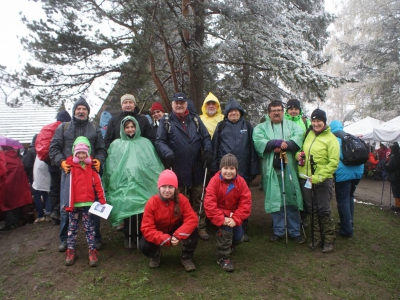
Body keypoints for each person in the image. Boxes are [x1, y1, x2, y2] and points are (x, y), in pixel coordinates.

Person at [49, 97, 107, 252]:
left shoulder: (94, 129)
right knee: (66, 206)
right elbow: (53, 148)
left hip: (89, 174)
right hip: (69, 174)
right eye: (78, 109)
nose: (81, 111)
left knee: (93, 206)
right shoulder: (63, 128)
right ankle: (65, 240)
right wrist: (61, 162)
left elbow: (102, 149)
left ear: (88, 112)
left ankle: (95, 238)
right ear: (74, 111)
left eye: (84, 109)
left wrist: (99, 161)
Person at [155, 92, 213, 240]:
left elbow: (206, 137)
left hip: (197, 165)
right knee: (179, 199)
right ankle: (181, 228)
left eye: (182, 103)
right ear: (172, 104)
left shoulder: (195, 119)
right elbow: (160, 141)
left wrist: (207, 151)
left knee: (199, 198)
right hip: (177, 167)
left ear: (186, 104)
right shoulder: (166, 120)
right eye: (176, 103)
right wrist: (167, 153)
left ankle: (200, 227)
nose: (179, 105)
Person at [103, 116, 164, 248]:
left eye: (132, 127)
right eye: (127, 127)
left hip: (143, 184)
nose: (130, 129)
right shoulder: (116, 145)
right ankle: (128, 235)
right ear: (122, 129)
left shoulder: (146, 143)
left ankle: (142, 235)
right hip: (124, 185)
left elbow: (154, 164)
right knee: (127, 208)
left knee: (143, 210)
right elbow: (111, 166)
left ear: (136, 128)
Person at [253, 100, 305, 244]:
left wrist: (286, 144)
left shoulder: (292, 125)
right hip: (271, 169)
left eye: (279, 110)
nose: (276, 113)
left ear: (283, 112)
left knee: (291, 198)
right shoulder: (261, 127)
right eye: (273, 110)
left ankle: (294, 231)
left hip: (289, 169)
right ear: (269, 113)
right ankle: (278, 230)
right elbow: (258, 140)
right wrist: (273, 143)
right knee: (276, 199)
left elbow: (299, 135)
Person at [297, 109, 339, 253]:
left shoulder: (331, 139)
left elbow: (333, 163)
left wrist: (318, 177)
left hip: (322, 180)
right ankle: (316, 238)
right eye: (314, 121)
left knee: (323, 209)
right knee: (312, 209)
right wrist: (299, 155)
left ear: (324, 122)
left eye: (318, 121)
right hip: (307, 179)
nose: (315, 124)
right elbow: (302, 150)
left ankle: (328, 240)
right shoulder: (308, 134)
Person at [140, 170, 199, 272]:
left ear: (175, 188)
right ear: (159, 187)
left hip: (176, 228)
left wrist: (177, 235)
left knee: (193, 231)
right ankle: (155, 255)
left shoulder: (182, 199)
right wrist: (165, 239)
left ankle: (186, 256)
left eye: (170, 187)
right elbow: (147, 229)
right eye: (164, 186)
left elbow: (192, 219)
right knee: (144, 245)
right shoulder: (151, 203)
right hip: (159, 230)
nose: (167, 190)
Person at [63, 137, 106, 267]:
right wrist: (67, 203)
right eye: (79, 153)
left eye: (84, 153)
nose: (81, 155)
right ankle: (70, 251)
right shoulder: (70, 169)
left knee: (89, 229)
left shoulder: (91, 169)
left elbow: (98, 185)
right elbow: (67, 188)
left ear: (87, 153)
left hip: (88, 204)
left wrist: (102, 200)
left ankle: (92, 251)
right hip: (74, 204)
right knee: (72, 228)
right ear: (74, 153)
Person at [204, 154, 252, 272]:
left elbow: (246, 202)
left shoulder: (241, 182)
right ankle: (223, 257)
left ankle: (231, 244)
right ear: (220, 169)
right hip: (220, 215)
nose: (228, 171)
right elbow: (209, 203)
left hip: (234, 215)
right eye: (225, 168)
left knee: (239, 237)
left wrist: (236, 219)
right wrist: (222, 219)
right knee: (226, 232)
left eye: (232, 168)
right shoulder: (214, 181)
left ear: (236, 170)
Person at [330, 120, 364, 238]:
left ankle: (346, 229)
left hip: (343, 173)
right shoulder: (350, 136)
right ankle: (349, 222)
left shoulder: (334, 139)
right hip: (358, 172)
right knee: (350, 197)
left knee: (342, 200)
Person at [284, 98, 311, 227]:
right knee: (288, 188)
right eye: (291, 109)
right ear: (287, 110)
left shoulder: (306, 122)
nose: (293, 111)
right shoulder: (282, 121)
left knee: (302, 189)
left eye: (296, 109)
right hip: (287, 158)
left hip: (302, 160)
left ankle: (303, 216)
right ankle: (286, 216)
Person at [0, 146, 32, 230]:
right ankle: (15, 222)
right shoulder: (17, 158)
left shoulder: (4, 158)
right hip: (19, 186)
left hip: (8, 185)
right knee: (16, 204)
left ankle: (9, 224)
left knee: (9, 205)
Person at [386, 142, 400, 211]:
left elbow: (391, 167)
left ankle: (398, 205)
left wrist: (386, 166)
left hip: (395, 176)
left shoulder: (393, 156)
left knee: (396, 191)